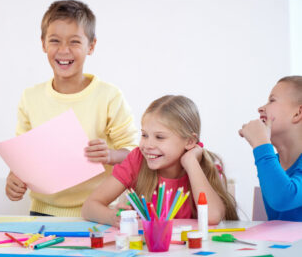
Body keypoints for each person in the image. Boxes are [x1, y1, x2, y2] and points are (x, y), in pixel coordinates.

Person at [5, 0, 137, 217]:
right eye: (55, 41)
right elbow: (23, 158)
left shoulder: (109, 96)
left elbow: (134, 155)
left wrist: (111, 155)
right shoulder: (30, 97)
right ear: (43, 44)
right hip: (43, 213)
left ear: (91, 46)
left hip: (98, 212)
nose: (63, 50)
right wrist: (14, 179)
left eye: (74, 42)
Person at [82, 95, 238, 227]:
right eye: (144, 135)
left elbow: (212, 217)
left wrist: (191, 163)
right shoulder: (137, 160)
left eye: (160, 137)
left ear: (190, 142)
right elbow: (89, 207)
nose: (148, 145)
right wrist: (112, 216)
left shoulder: (203, 165)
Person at [239, 76, 302, 221]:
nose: (260, 108)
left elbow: (284, 198)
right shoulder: (272, 162)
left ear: (298, 113)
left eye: (272, 100)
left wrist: (261, 144)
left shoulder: (266, 157)